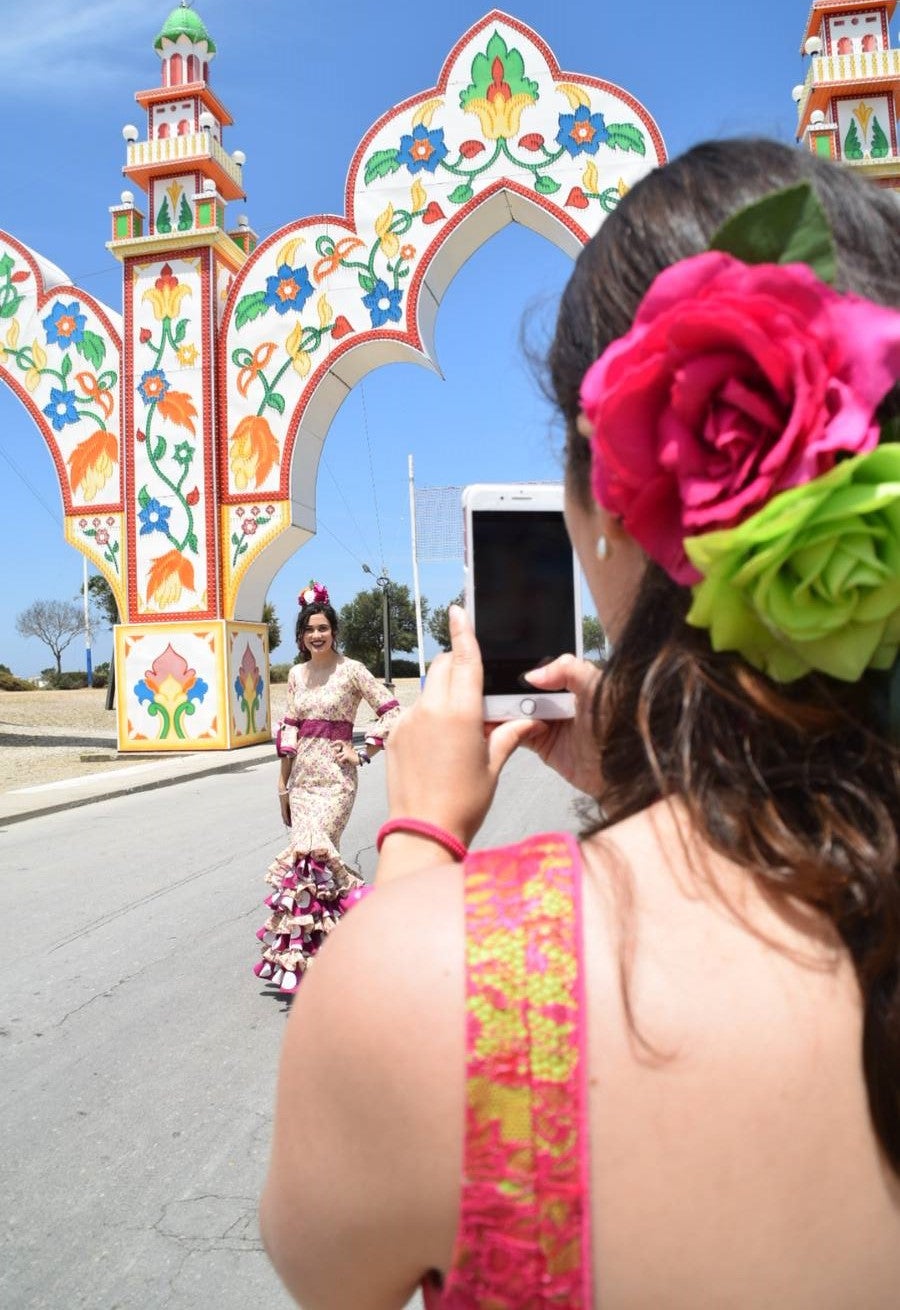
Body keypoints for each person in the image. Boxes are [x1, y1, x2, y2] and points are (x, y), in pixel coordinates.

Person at [260, 140, 900, 1307]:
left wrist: (417, 841)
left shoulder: (442, 980)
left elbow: (322, 1263)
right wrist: (656, 771)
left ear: (606, 506)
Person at [253, 581, 400, 994]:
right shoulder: (297, 674)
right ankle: (310, 960)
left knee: (317, 853)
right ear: (301, 636)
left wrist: (364, 751)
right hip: (302, 782)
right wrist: (282, 786)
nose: (316, 635)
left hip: (336, 781)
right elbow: (288, 730)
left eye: (323, 627)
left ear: (334, 630)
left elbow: (392, 711)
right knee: (306, 868)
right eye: (309, 629)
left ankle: (370, 916)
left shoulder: (351, 670)